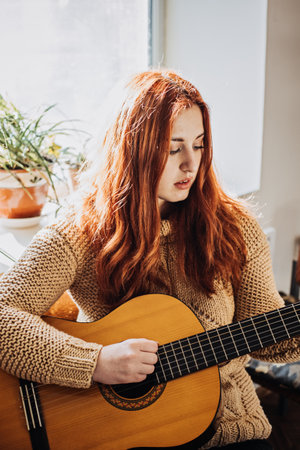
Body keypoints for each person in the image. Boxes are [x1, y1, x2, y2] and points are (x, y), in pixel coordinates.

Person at [0, 69, 299, 449]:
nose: (191, 164)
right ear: (132, 148)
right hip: (120, 432)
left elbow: (264, 334)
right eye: (174, 148)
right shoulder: (79, 232)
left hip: (231, 428)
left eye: (200, 144)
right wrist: (96, 362)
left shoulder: (236, 228)